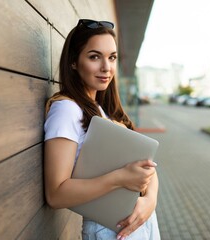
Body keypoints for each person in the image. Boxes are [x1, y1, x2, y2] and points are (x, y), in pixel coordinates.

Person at [43, 19, 160, 240]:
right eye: (94, 56)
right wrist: (120, 178)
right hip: (109, 231)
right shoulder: (67, 110)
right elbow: (56, 194)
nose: (106, 67)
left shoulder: (103, 111)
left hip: (140, 222)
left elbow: (149, 168)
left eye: (112, 57)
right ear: (74, 62)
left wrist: (149, 201)